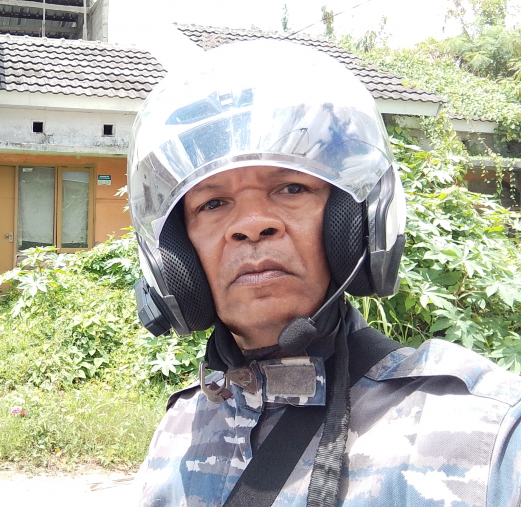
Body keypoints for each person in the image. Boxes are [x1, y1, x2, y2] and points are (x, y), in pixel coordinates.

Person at [127, 40, 521, 507]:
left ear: (356, 223)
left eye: (292, 187)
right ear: (177, 255)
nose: (252, 224)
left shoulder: (486, 431)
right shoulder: (177, 430)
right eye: (212, 203)